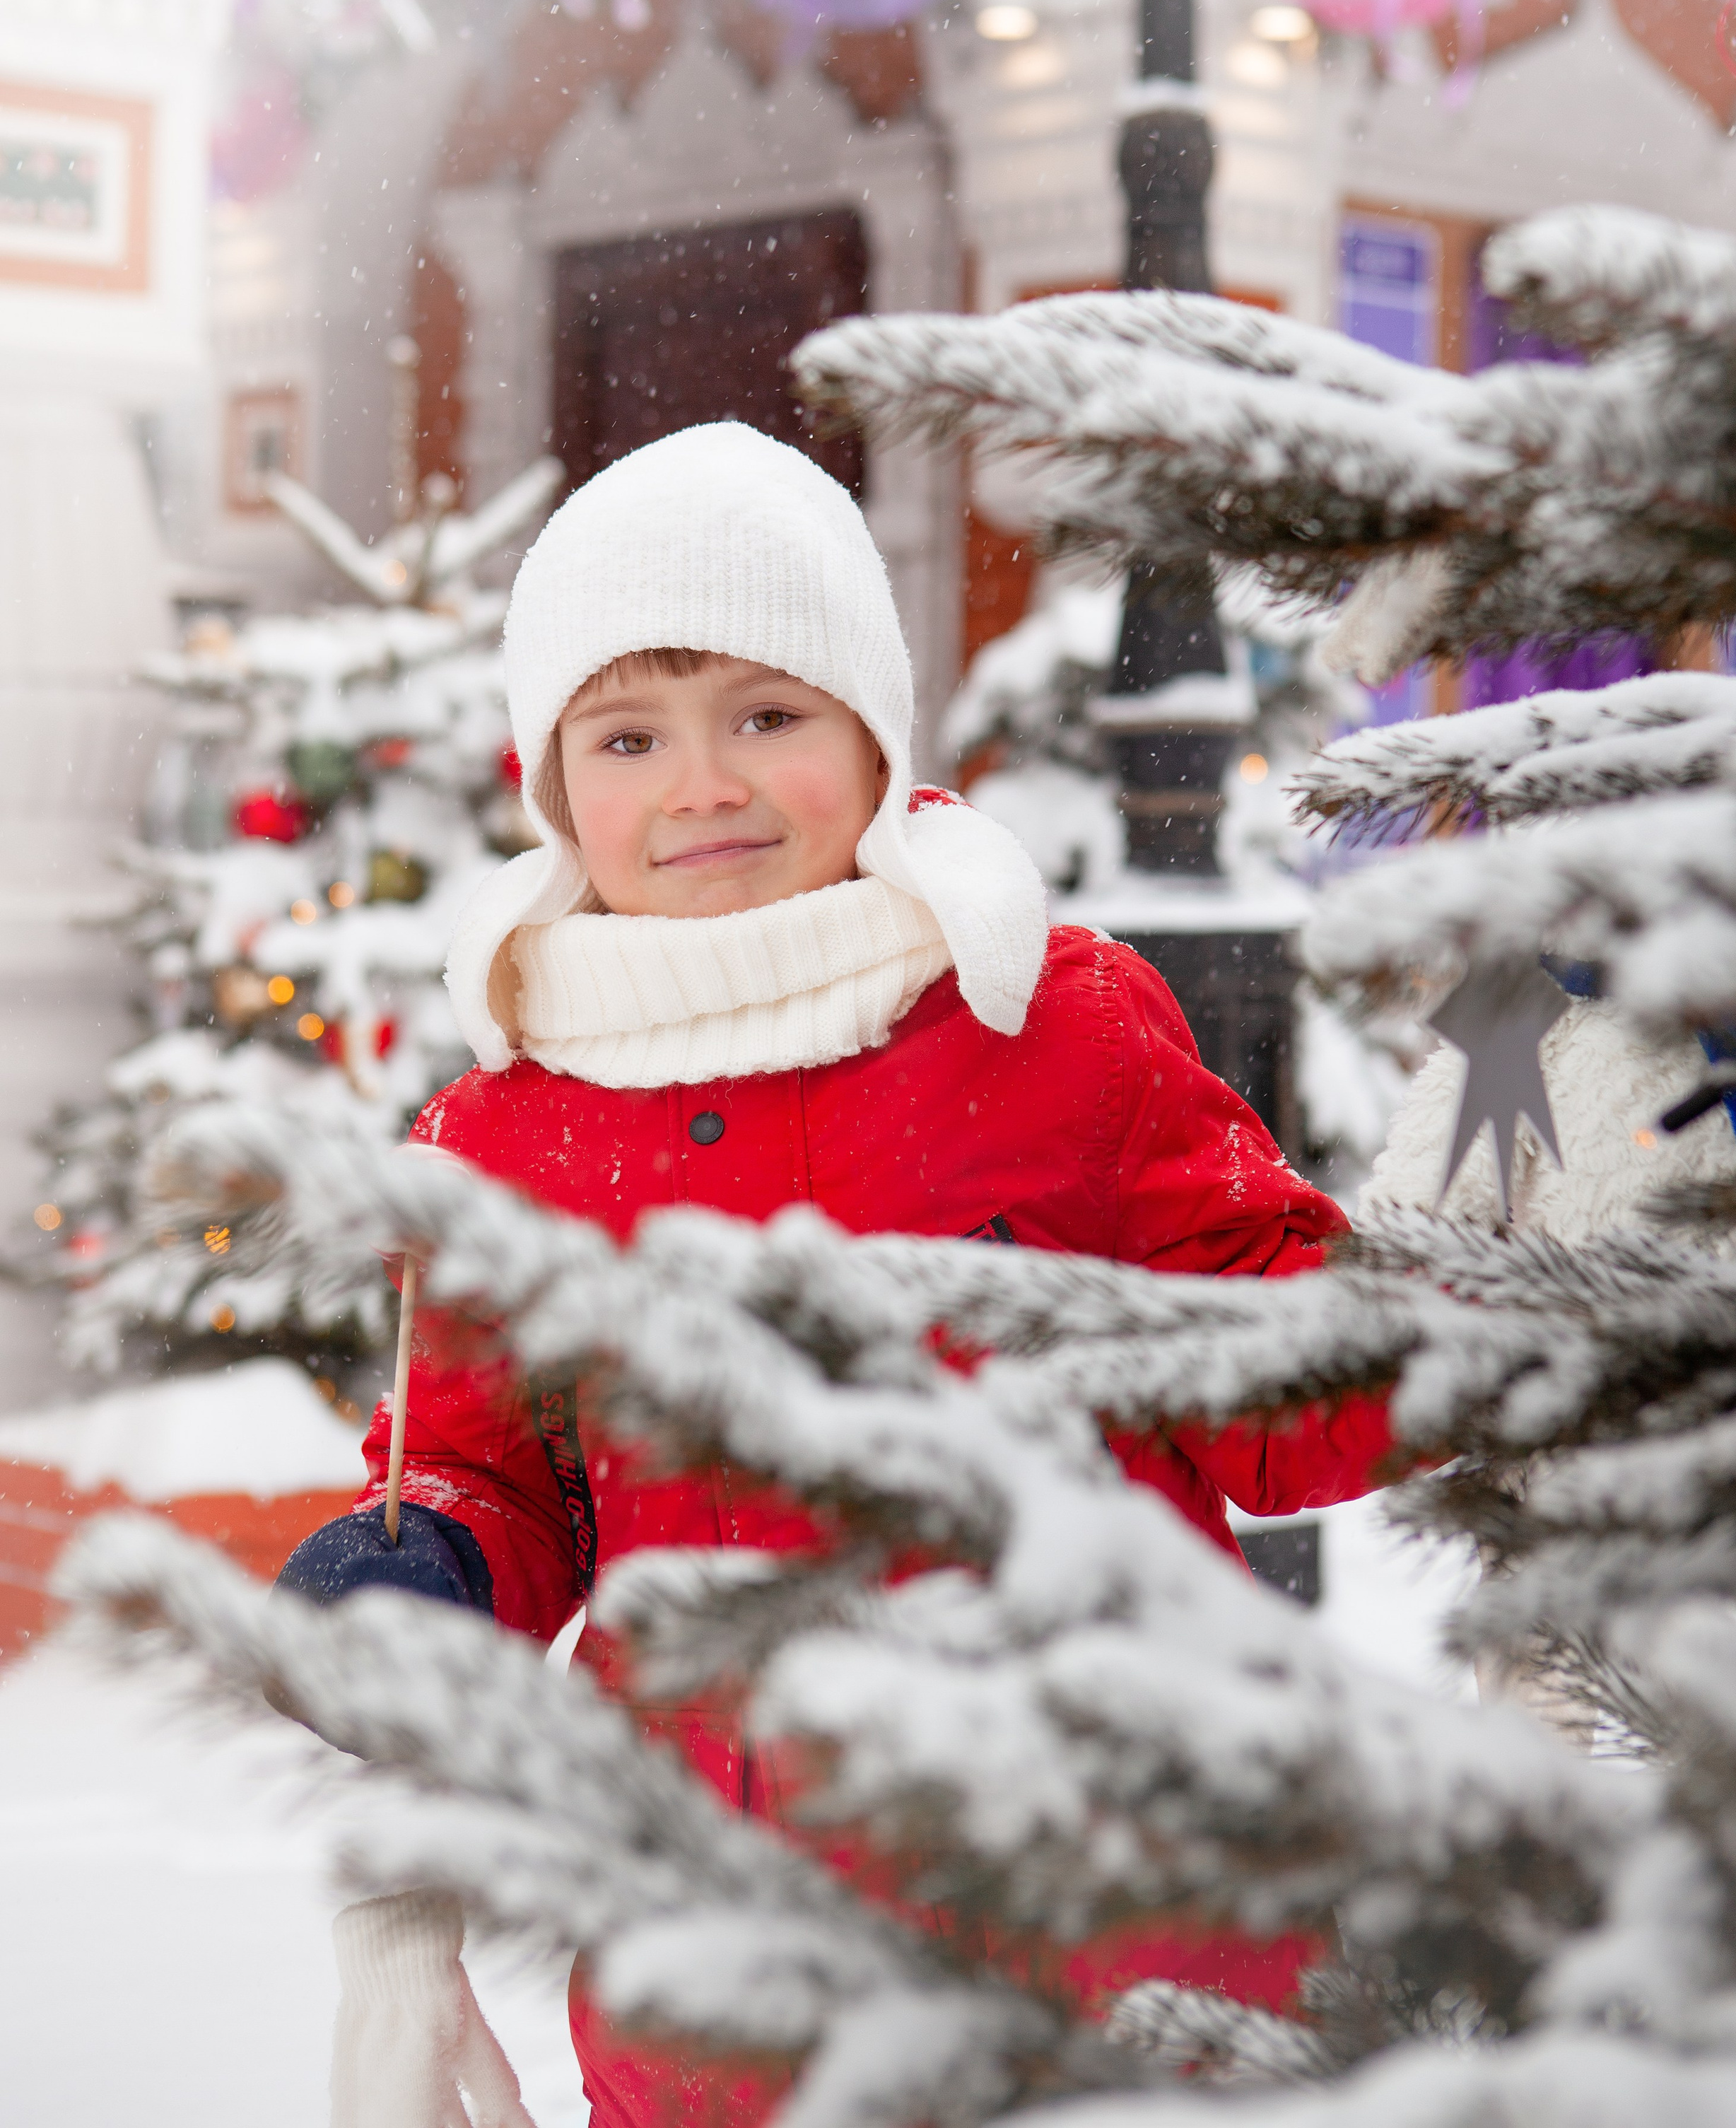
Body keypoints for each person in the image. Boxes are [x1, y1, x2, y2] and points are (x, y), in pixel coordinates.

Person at [281, 421, 1392, 2128]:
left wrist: (1474, 1333)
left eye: (767, 714)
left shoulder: (1049, 1020)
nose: (701, 784)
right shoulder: (507, 1125)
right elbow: (499, 1471)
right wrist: (425, 1548)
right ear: (554, 781)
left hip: (1113, 1942)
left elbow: (1267, 1365)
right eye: (629, 733)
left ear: (873, 739)